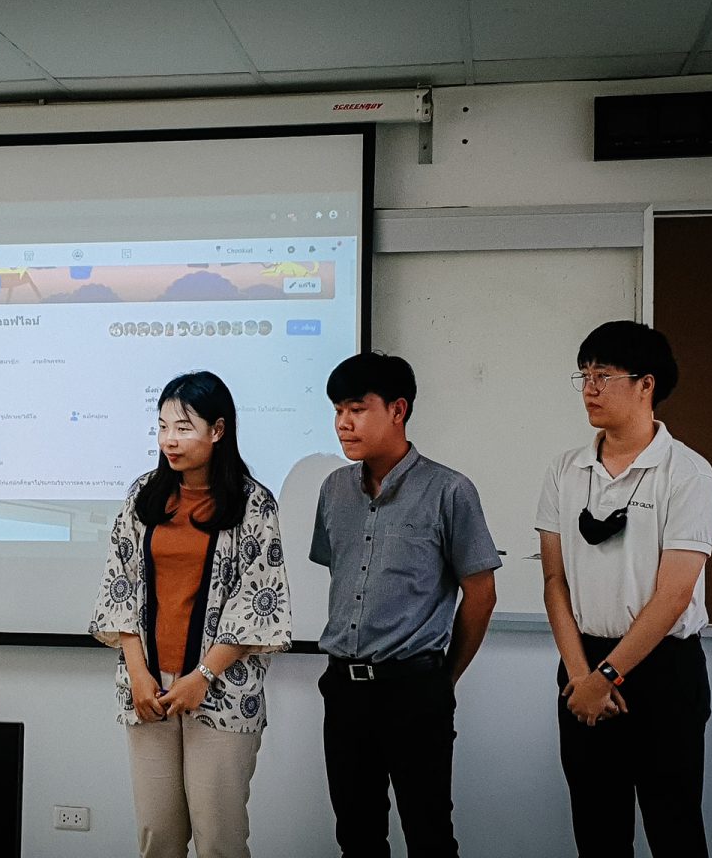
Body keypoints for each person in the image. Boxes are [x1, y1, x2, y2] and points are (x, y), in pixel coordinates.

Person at [90, 371, 292, 858]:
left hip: (222, 689)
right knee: (157, 838)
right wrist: (139, 674)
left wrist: (202, 676)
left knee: (219, 839)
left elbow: (258, 598)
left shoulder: (253, 503)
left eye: (183, 428)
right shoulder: (144, 495)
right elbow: (120, 583)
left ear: (217, 430)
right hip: (149, 689)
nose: (169, 440)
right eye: (162, 427)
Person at [536, 321, 712, 857]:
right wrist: (581, 676)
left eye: (605, 375)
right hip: (581, 664)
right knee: (597, 833)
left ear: (646, 384)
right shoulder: (565, 470)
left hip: (663, 670)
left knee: (674, 830)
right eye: (585, 375)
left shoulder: (687, 473)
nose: (590, 388)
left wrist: (607, 677)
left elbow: (675, 594)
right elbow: (554, 580)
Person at [309, 352, 500, 858]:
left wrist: (443, 677)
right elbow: (342, 575)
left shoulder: (449, 490)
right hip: (343, 690)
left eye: (357, 409)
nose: (343, 423)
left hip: (414, 689)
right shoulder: (334, 489)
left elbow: (481, 594)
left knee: (429, 835)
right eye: (337, 410)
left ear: (398, 409)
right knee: (357, 837)